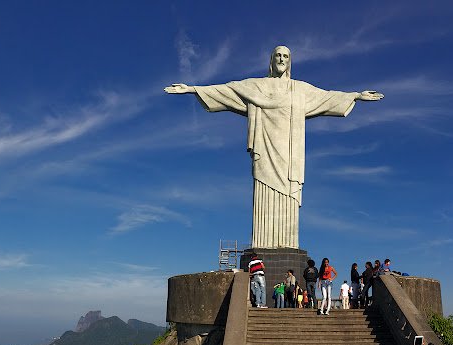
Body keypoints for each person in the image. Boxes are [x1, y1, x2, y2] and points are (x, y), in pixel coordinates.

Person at [164, 46, 383, 249]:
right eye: (278, 55)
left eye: (286, 56)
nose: (281, 59)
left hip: (290, 153)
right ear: (271, 60)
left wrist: (355, 95)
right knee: (263, 189)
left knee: (288, 192)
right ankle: (262, 243)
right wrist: (192, 89)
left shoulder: (299, 89)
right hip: (265, 150)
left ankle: (286, 243)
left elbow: (327, 96)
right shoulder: (256, 86)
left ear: (290, 62)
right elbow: (228, 90)